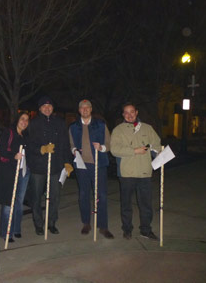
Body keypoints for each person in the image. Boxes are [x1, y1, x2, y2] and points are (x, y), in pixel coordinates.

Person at [110, 103, 161, 240]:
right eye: (126, 112)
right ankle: (127, 229)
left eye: (132, 112)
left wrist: (159, 152)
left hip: (144, 172)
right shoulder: (118, 130)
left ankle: (146, 229)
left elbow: (157, 144)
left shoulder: (147, 128)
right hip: (127, 173)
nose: (129, 115)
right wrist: (134, 151)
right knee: (126, 204)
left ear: (136, 112)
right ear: (123, 115)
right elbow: (114, 150)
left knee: (146, 204)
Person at [27, 96, 73, 235]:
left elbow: (65, 144)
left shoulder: (59, 123)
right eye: (44, 106)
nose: (47, 108)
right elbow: (28, 145)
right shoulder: (33, 124)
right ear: (40, 108)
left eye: (49, 106)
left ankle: (52, 222)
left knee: (55, 196)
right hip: (38, 167)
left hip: (55, 166)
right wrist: (41, 149)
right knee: (36, 197)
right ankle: (38, 224)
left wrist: (67, 161)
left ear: (52, 108)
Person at [69, 99, 114, 238]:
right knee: (83, 194)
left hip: (98, 164)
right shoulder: (73, 127)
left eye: (87, 107)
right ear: (79, 110)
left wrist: (101, 148)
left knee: (102, 195)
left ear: (91, 109)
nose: (85, 110)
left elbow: (109, 144)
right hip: (82, 166)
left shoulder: (100, 125)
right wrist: (75, 150)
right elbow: (71, 145)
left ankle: (103, 226)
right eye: (82, 108)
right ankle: (86, 223)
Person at [0, 112, 30, 242]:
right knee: (8, 203)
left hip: (24, 172)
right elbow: (1, 150)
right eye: (22, 119)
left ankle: (16, 229)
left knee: (19, 203)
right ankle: (6, 232)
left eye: (27, 120)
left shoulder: (25, 135)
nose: (24, 122)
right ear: (17, 120)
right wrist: (13, 156)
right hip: (9, 172)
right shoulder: (9, 133)